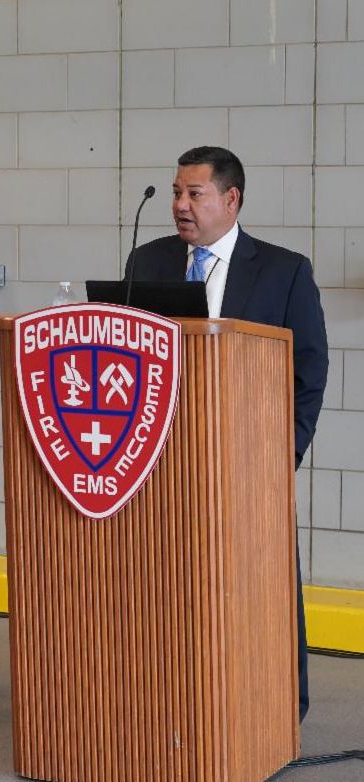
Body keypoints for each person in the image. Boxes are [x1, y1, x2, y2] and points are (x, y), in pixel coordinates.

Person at [125, 146, 328, 722]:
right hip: (163, 457)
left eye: (195, 194)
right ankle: (172, 700)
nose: (180, 205)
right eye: (176, 193)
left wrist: (284, 453)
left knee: (263, 586)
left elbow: (309, 370)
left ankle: (280, 708)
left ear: (231, 198)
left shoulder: (284, 271)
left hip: (249, 457)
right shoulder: (147, 261)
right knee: (168, 582)